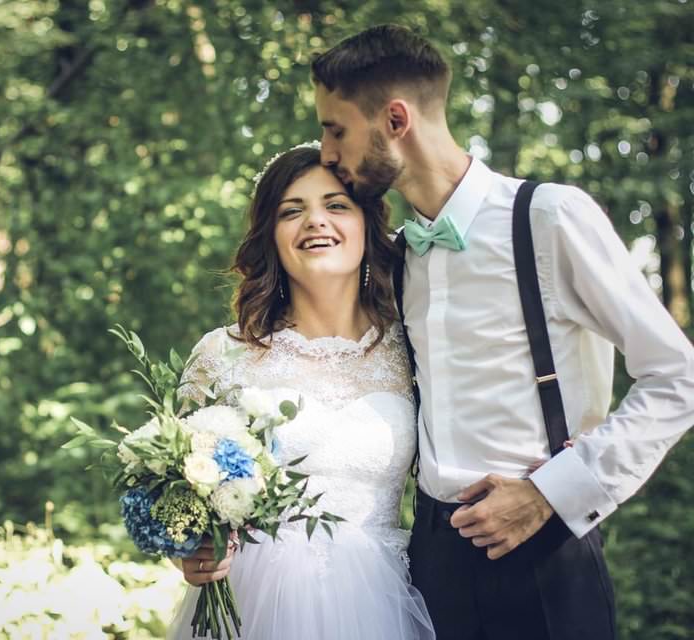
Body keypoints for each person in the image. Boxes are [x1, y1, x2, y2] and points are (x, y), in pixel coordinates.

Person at [311, 24, 694, 640]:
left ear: (395, 119)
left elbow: (679, 376)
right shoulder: (399, 254)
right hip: (429, 562)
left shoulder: (549, 218)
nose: (327, 152)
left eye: (336, 129)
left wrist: (550, 494)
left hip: (545, 556)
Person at [166, 144, 435, 639]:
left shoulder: (415, 349)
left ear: (366, 224)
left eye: (336, 205)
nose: (315, 221)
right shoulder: (220, 355)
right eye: (292, 211)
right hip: (253, 607)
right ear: (271, 236)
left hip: (381, 608)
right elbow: (182, 503)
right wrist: (196, 548)